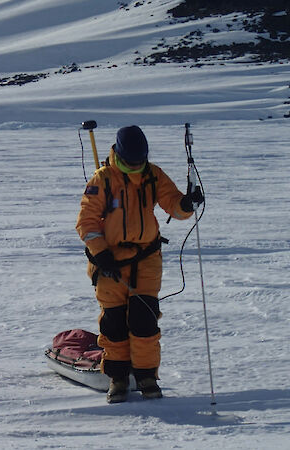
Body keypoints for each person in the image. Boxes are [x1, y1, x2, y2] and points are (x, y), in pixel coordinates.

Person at [76, 125, 204, 403]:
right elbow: (86, 222)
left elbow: (174, 205)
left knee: (144, 320)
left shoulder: (153, 174)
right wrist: (101, 253)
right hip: (109, 264)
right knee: (114, 324)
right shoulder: (103, 179)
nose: (136, 166)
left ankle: (146, 376)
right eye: (131, 162)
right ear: (119, 155)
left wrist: (187, 203)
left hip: (146, 260)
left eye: (140, 160)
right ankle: (118, 378)